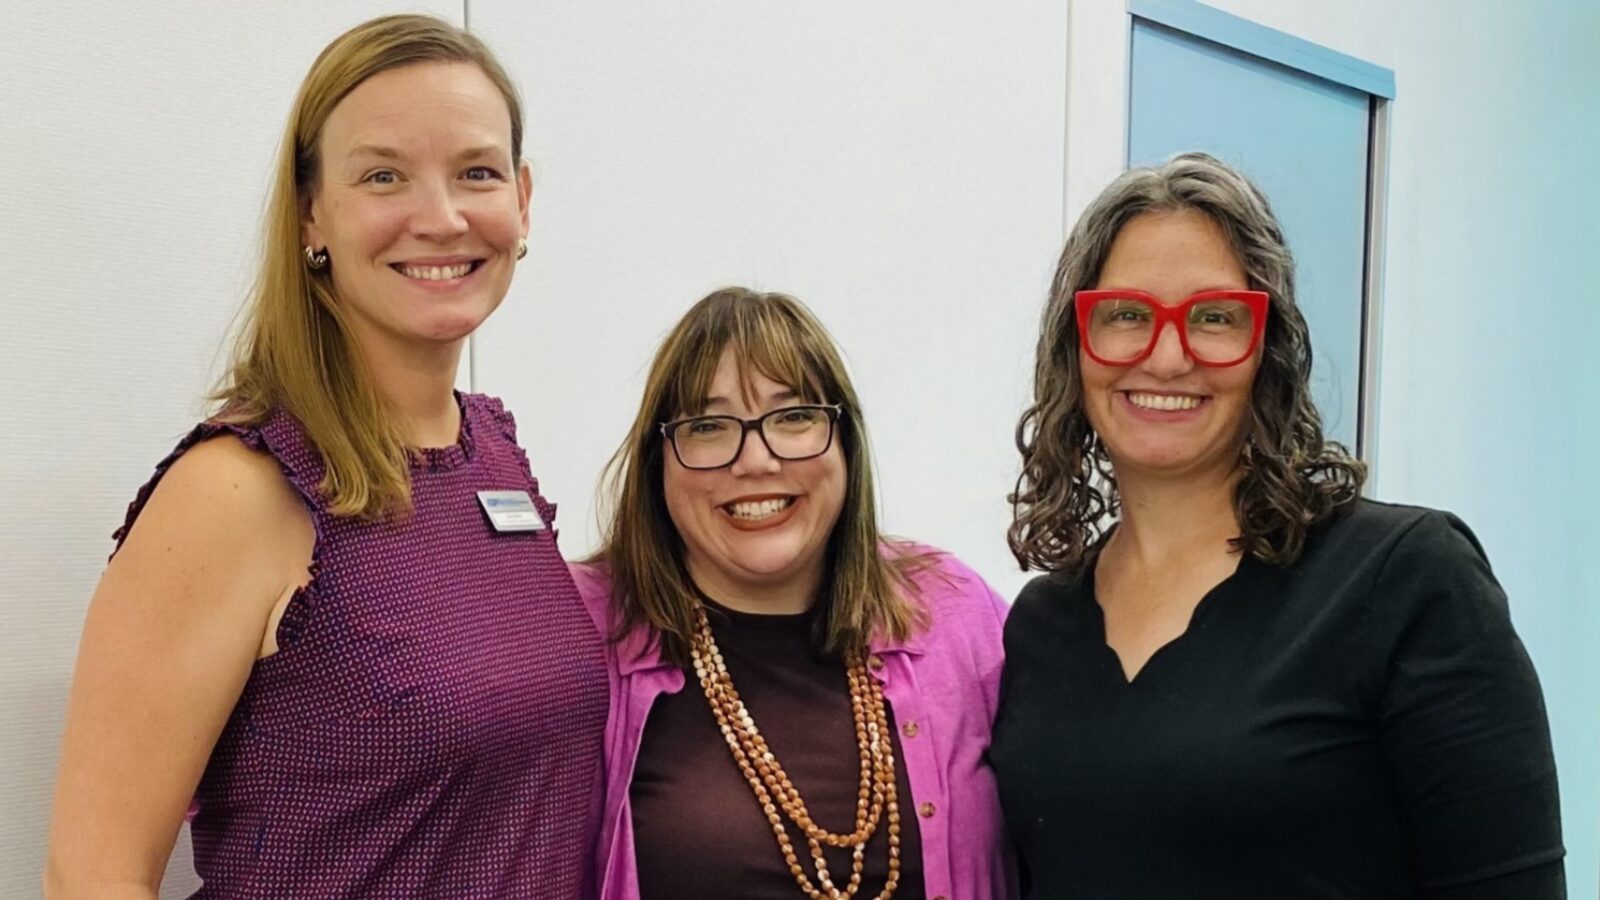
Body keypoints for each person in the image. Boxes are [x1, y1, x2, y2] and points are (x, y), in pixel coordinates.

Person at [44, 15, 607, 898]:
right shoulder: (239, 489)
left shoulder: (492, 455)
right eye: (384, 175)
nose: (442, 216)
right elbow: (91, 875)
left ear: (523, 201)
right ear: (313, 211)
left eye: (477, 172)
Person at [990, 152, 1565, 898]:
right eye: (1127, 315)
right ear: (1075, 346)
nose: (1167, 357)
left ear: (1268, 351)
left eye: (1215, 318)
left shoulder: (1405, 582)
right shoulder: (1042, 625)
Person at [574, 287, 1015, 900]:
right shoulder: (578, 631)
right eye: (708, 426)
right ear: (658, 463)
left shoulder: (954, 611)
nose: (756, 460)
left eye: (794, 417)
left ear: (845, 442)